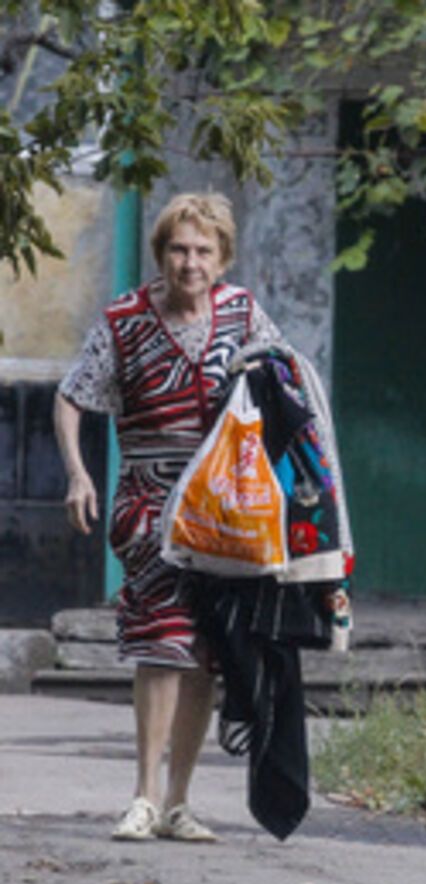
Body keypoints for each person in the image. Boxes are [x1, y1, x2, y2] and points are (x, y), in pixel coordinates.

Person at [55, 192, 283, 843]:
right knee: (163, 640)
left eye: (203, 251)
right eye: (179, 249)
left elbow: (285, 387)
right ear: (161, 254)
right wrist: (78, 472)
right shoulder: (125, 319)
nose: (191, 262)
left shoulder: (242, 315)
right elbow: (71, 396)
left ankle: (180, 801)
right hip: (149, 506)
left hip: (225, 511)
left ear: (223, 258)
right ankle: (144, 797)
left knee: (205, 651)